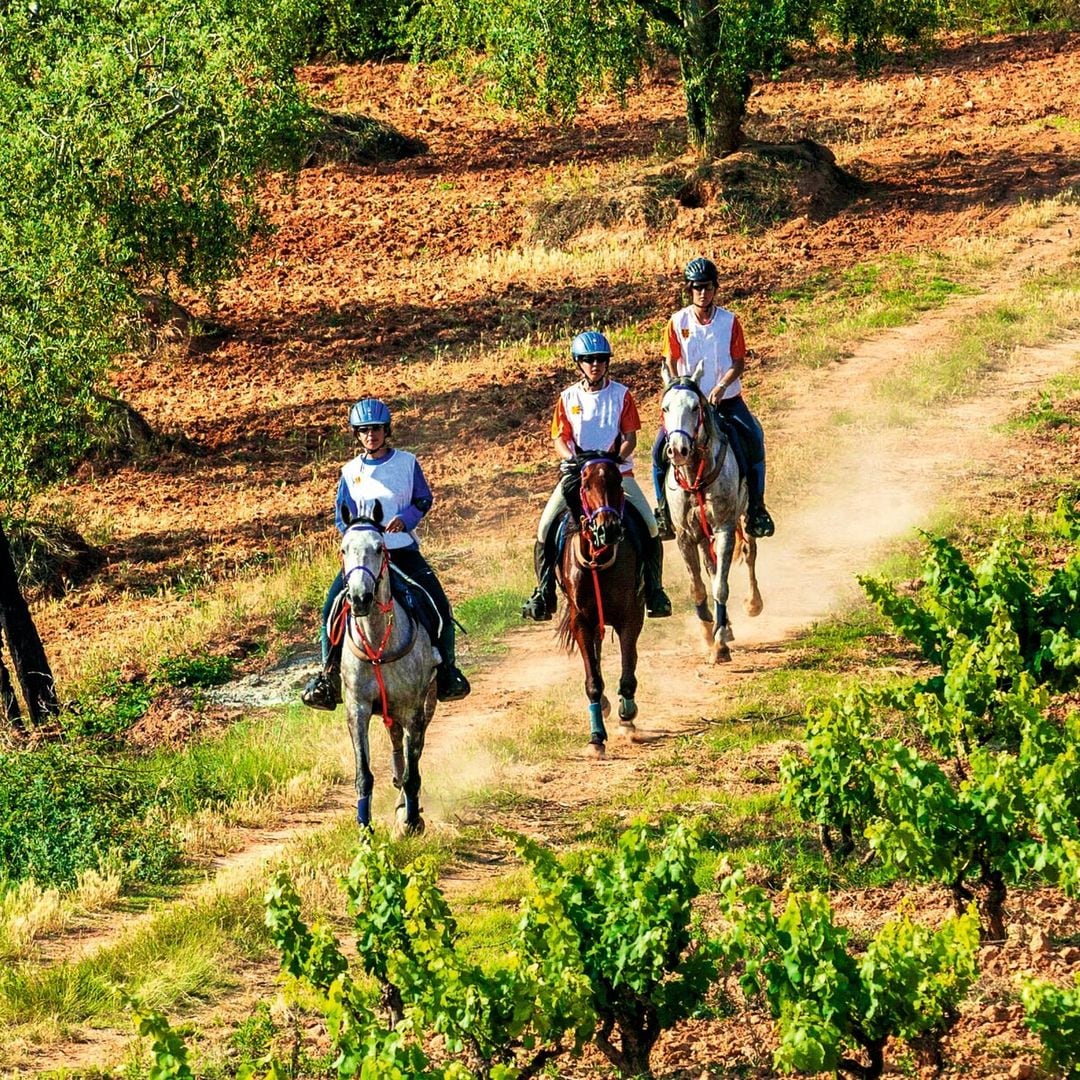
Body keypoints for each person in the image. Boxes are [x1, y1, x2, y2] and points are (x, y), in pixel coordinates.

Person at [301, 397, 471, 710]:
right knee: (330, 610)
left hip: (402, 552)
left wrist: (405, 520)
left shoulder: (407, 463)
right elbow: (342, 516)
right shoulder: (349, 471)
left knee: (440, 607)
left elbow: (423, 499)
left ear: (386, 430)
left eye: (376, 429)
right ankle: (328, 678)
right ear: (356, 434)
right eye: (364, 430)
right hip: (365, 562)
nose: (371, 435)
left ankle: (447, 671)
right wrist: (361, 537)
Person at [521, 330, 672, 622]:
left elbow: (630, 437)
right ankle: (544, 592)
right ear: (579, 363)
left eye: (601, 360)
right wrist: (573, 459)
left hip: (617, 475)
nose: (595, 365)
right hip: (578, 476)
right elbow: (559, 439)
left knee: (651, 526)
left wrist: (616, 458)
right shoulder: (567, 398)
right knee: (545, 528)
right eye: (589, 360)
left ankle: (654, 590)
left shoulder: (621, 395)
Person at [652, 257, 775, 541]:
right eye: (697, 288)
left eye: (707, 287)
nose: (702, 293)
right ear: (689, 290)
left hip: (725, 401)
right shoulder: (677, 322)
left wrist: (720, 387)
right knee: (659, 450)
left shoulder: (729, 322)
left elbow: (738, 362)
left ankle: (756, 508)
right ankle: (663, 512)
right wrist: (677, 387)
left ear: (715, 288)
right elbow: (670, 360)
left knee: (754, 438)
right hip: (689, 406)